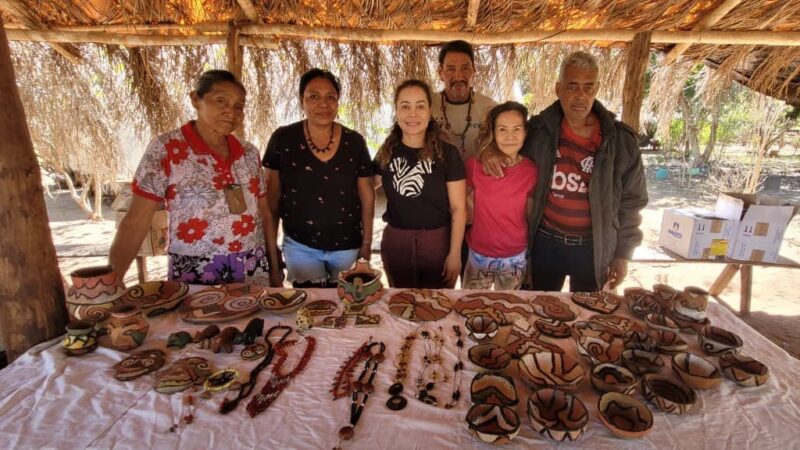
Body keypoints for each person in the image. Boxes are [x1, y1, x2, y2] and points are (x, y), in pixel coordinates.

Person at [484, 51, 648, 292]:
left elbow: (632, 202)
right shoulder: (538, 132)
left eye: (588, 87)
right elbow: (507, 148)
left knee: (587, 317)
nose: (580, 96)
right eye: (572, 87)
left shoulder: (620, 141)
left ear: (597, 89)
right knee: (538, 310)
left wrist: (623, 253)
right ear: (558, 89)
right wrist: (490, 152)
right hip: (545, 243)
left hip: (593, 247)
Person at [111, 70, 280, 286]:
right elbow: (135, 222)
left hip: (252, 267)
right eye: (221, 101)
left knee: (255, 320)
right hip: (195, 271)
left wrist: (274, 269)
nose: (231, 111)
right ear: (195, 99)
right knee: (197, 319)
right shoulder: (167, 149)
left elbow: (264, 215)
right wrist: (111, 285)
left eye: (239, 106)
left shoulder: (248, 153)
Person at [263, 68, 375, 288]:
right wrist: (272, 249)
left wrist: (366, 245)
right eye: (313, 96)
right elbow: (271, 201)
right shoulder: (283, 139)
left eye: (330, 97)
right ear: (301, 101)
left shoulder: (354, 142)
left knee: (348, 307)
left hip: (347, 247)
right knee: (308, 309)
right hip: (300, 246)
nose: (323, 104)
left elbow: (367, 196)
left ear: (338, 102)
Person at [373, 79, 467, 289]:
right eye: (405, 106)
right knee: (400, 305)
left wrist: (454, 254)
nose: (412, 114)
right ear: (396, 111)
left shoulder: (447, 154)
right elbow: (367, 188)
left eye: (420, 106)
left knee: (437, 308)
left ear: (429, 111)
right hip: (396, 244)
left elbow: (458, 209)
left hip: (437, 244)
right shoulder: (387, 151)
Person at [463, 102, 538, 290]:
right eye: (502, 129)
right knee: (472, 307)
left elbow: (529, 216)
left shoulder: (531, 170)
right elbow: (463, 206)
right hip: (479, 254)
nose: (510, 137)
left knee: (509, 309)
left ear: (525, 133)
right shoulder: (475, 166)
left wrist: (530, 258)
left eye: (516, 129)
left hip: (515, 256)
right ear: (493, 132)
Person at [431, 40, 497, 160]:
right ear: (440, 73)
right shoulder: (427, 106)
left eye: (465, 68)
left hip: (478, 177)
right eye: (451, 69)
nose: (458, 76)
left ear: (473, 70)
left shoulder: (489, 108)